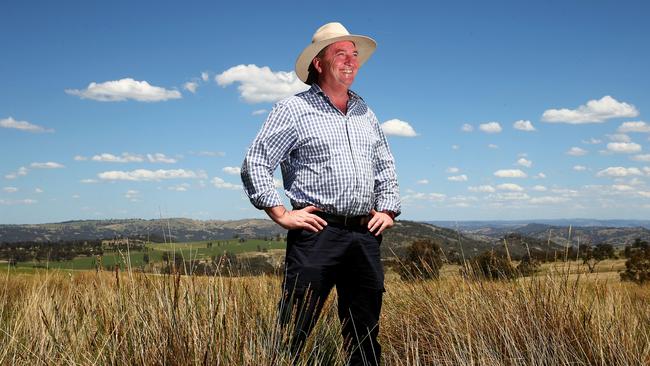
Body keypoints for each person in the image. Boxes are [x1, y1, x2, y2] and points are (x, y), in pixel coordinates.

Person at [241, 22, 400, 365]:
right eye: (340, 54)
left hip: (364, 234)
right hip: (317, 233)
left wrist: (386, 210)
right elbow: (255, 162)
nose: (350, 61)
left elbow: (385, 166)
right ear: (318, 63)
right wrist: (281, 213)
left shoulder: (365, 112)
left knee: (365, 333)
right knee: (295, 329)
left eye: (354, 55)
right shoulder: (293, 109)